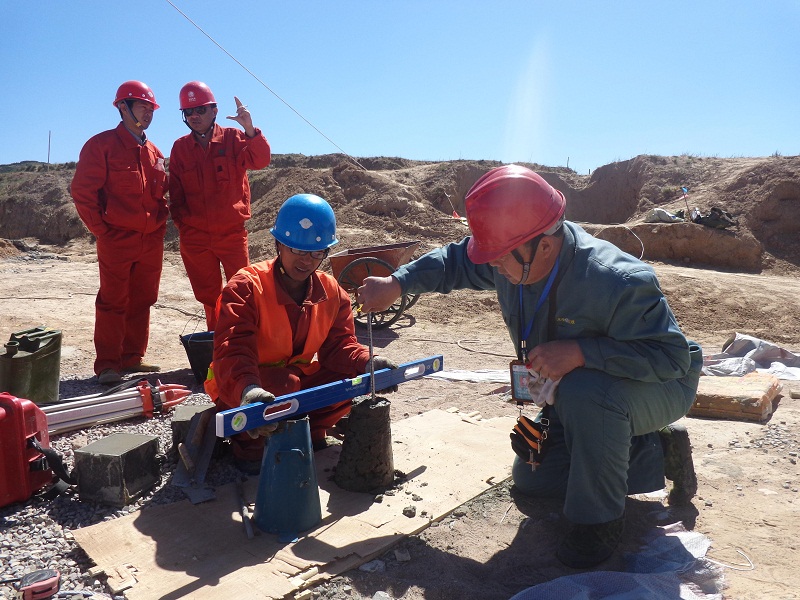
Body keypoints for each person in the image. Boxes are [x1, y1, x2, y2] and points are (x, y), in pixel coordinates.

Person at [357, 164, 702, 569]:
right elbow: (455, 262)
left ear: (545, 246)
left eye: (501, 260)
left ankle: (599, 523)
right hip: (581, 391)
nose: (494, 269)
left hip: (660, 384)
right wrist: (397, 282)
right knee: (535, 479)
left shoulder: (617, 281)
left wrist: (582, 352)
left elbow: (671, 359)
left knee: (587, 395)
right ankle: (656, 448)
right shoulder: (512, 254)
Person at [204, 193, 396, 474]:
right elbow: (233, 349)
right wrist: (248, 391)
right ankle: (249, 447)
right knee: (284, 385)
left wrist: (369, 362)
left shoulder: (332, 293)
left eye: (317, 253)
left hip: (292, 384)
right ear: (279, 244)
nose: (307, 261)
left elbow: (340, 347)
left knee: (353, 380)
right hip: (243, 386)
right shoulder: (246, 287)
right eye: (298, 250)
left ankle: (312, 431)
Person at [71, 81, 168, 385]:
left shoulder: (154, 152)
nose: (148, 112)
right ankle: (109, 365)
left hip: (150, 240)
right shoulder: (101, 146)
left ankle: (132, 357)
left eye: (151, 108)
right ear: (123, 107)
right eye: (142, 106)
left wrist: (159, 227)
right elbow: (83, 192)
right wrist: (103, 232)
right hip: (117, 239)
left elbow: (161, 195)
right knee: (114, 300)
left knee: (143, 298)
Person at [168, 81, 272, 331]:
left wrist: (249, 128)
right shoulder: (180, 148)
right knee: (209, 297)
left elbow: (261, 160)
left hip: (231, 235)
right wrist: (186, 227)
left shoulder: (234, 138)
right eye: (189, 112)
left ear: (214, 110)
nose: (194, 116)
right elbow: (176, 194)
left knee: (242, 290)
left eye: (200, 110)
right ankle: (217, 345)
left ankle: (244, 340)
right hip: (196, 238)